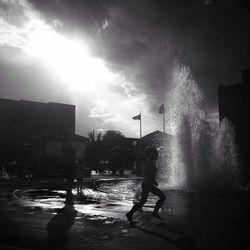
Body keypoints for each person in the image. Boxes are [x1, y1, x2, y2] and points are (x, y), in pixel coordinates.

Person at [126, 146, 166, 222]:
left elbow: (149, 173)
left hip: (147, 183)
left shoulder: (150, 161)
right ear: (150, 154)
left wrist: (154, 181)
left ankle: (130, 214)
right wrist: (152, 181)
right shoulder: (149, 162)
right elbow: (148, 172)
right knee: (162, 197)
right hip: (148, 184)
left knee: (143, 201)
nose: (157, 154)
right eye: (154, 152)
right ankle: (154, 213)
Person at [61, 131, 76, 205]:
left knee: (69, 180)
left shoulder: (64, 145)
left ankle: (69, 195)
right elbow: (72, 155)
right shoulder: (69, 145)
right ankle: (69, 195)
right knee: (70, 180)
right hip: (70, 164)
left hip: (67, 164)